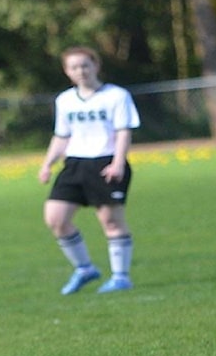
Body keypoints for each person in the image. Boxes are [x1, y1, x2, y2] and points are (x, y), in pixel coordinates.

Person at [38, 46, 141, 295]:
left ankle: (120, 277)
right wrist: (48, 163)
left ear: (96, 65)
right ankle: (84, 268)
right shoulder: (65, 100)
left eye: (85, 65)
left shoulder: (116, 96)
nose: (80, 71)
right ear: (67, 71)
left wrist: (118, 162)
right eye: (74, 67)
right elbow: (62, 135)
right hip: (75, 163)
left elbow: (123, 131)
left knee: (111, 221)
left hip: (106, 162)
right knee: (55, 218)